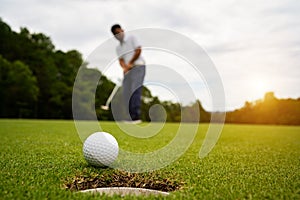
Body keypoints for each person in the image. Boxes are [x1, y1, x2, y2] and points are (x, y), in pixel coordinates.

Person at [111, 24, 145, 123]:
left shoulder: (132, 38)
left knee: (135, 90)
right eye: (116, 34)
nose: (119, 35)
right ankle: (129, 117)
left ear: (122, 30)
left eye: (119, 32)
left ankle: (136, 117)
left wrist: (130, 63)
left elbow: (138, 50)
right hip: (128, 70)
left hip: (138, 67)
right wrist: (124, 67)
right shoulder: (118, 48)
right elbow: (121, 60)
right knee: (126, 92)